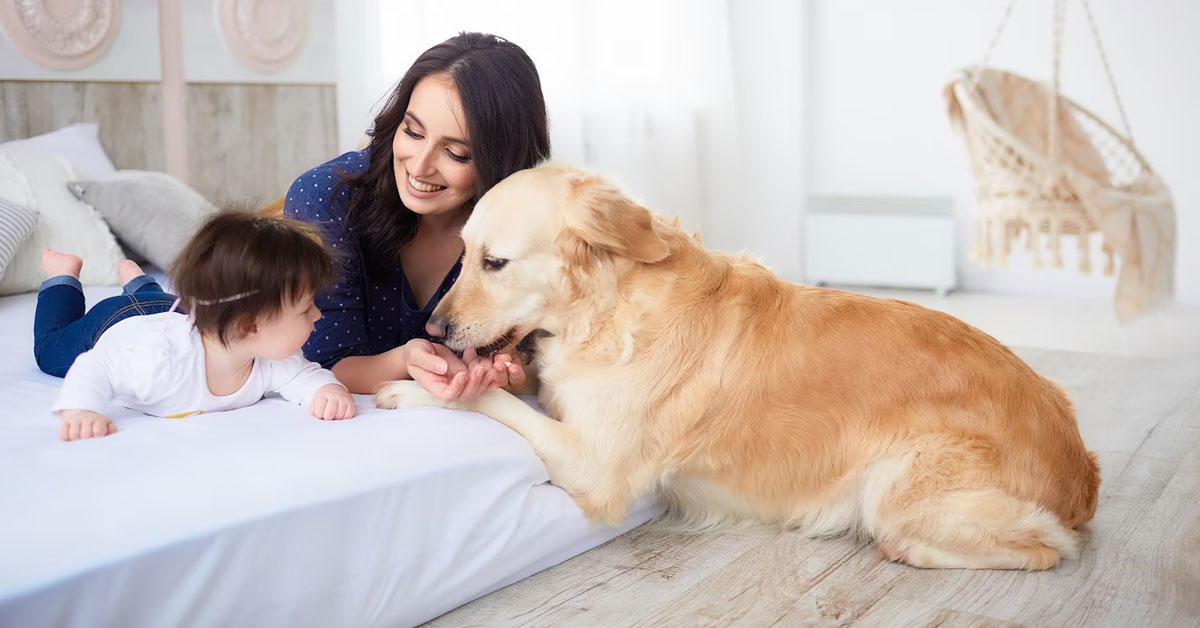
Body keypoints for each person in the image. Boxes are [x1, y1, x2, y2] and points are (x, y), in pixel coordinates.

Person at [284, 32, 550, 401]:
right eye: (412, 131)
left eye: (455, 153)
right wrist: (406, 360)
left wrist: (505, 369)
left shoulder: (527, 230)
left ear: (499, 165)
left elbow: (528, 354)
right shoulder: (327, 199)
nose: (420, 166)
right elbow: (317, 364)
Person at [36, 211, 356, 442]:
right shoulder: (158, 362)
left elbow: (305, 376)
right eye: (305, 310)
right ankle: (61, 275)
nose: (317, 315)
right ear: (248, 327)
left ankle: (137, 280)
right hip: (117, 320)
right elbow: (95, 366)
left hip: (172, 311)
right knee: (51, 350)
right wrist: (82, 409)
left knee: (156, 300)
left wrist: (327, 391)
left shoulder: (273, 359)